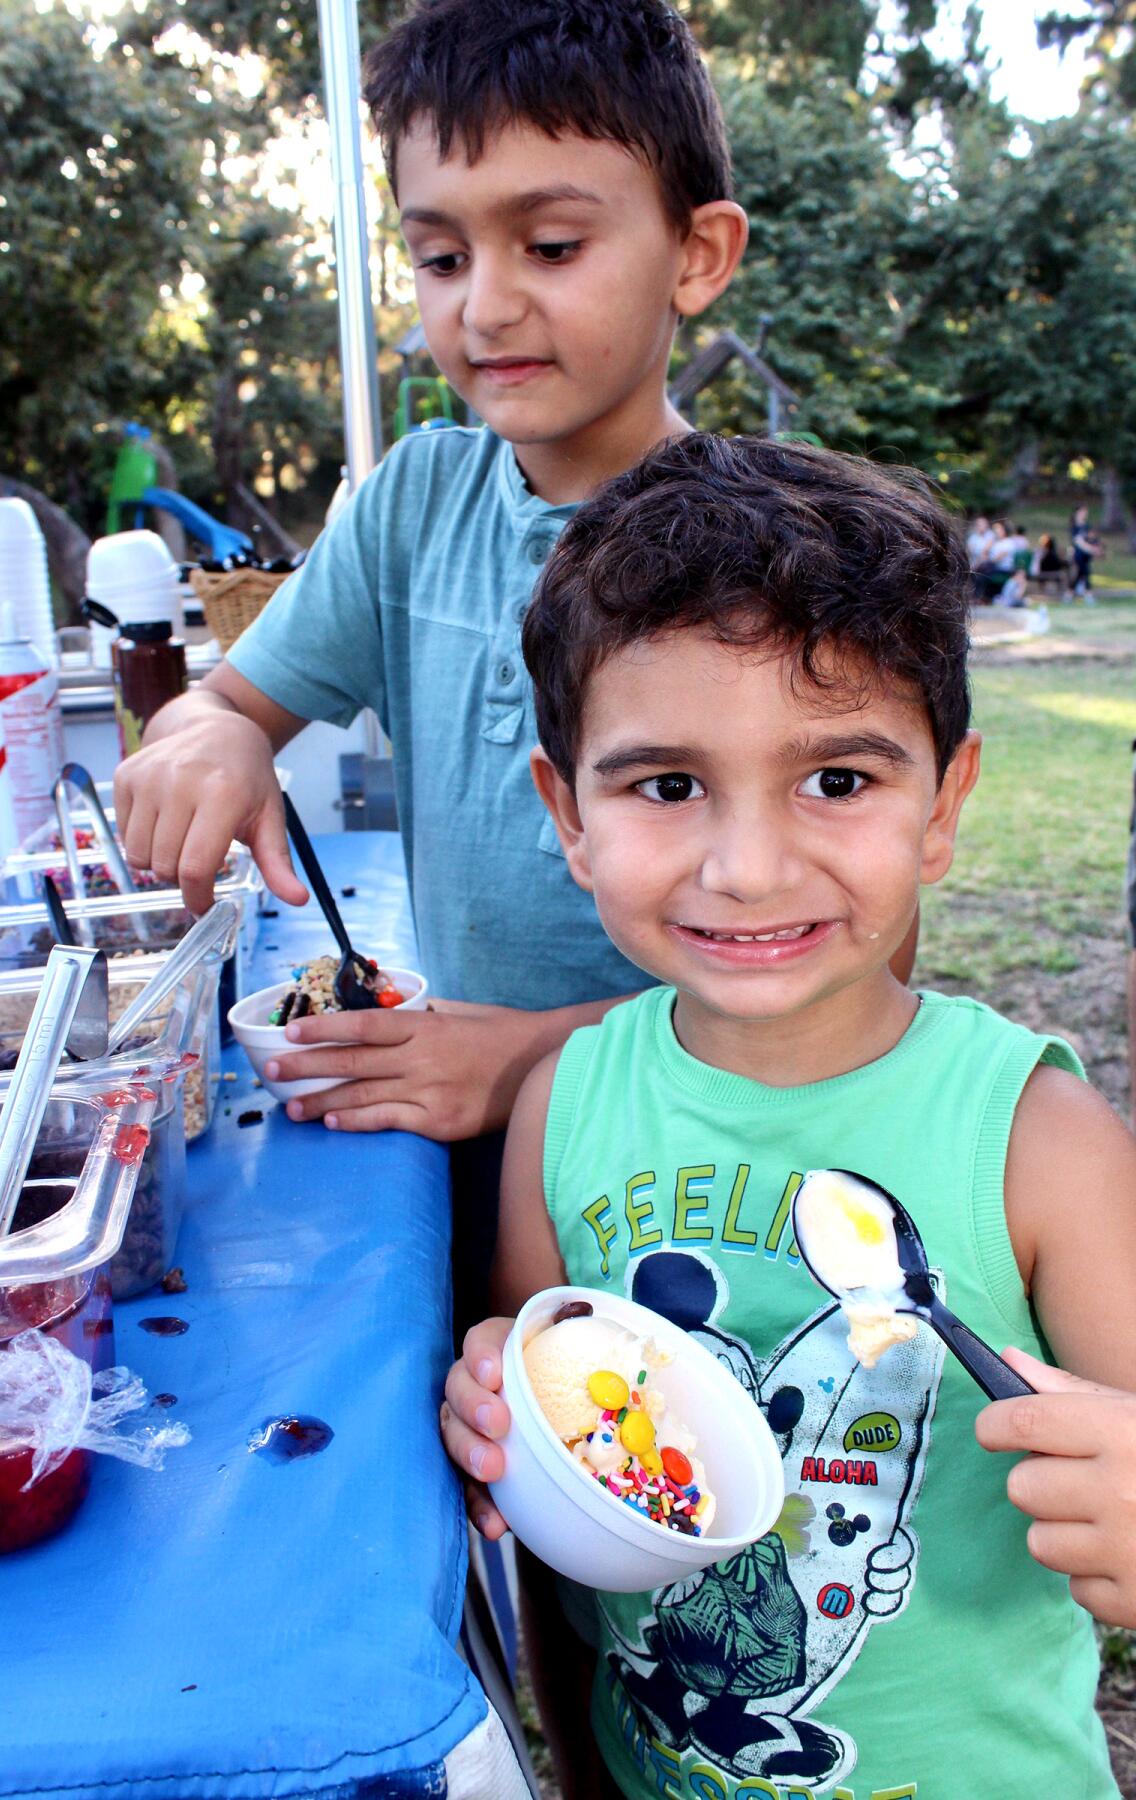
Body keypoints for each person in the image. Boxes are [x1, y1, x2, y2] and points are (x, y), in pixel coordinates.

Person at [442, 434, 1136, 1800]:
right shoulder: (561, 1110)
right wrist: (495, 1399)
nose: (748, 868)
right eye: (665, 784)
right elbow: (554, 1500)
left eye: (836, 779)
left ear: (944, 807)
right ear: (567, 814)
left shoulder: (1041, 1142)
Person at [109, 0, 750, 1329]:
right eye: (442, 255)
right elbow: (227, 703)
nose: (488, 305)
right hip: (476, 1148)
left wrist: (521, 1059)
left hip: (711, 1172)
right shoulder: (414, 506)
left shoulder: (770, 563)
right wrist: (217, 737)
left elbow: (856, 977)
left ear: (696, 255)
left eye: (553, 244)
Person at [1070, 503, 1105, 600]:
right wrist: (1091, 548)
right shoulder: (1075, 526)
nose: (1084, 514)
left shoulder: (1086, 526)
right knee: (1086, 572)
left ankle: (1069, 593)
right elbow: (1078, 542)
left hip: (1086, 555)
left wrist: (1097, 548)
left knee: (1080, 574)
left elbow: (1092, 538)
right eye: (1082, 511)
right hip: (1078, 554)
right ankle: (1088, 594)